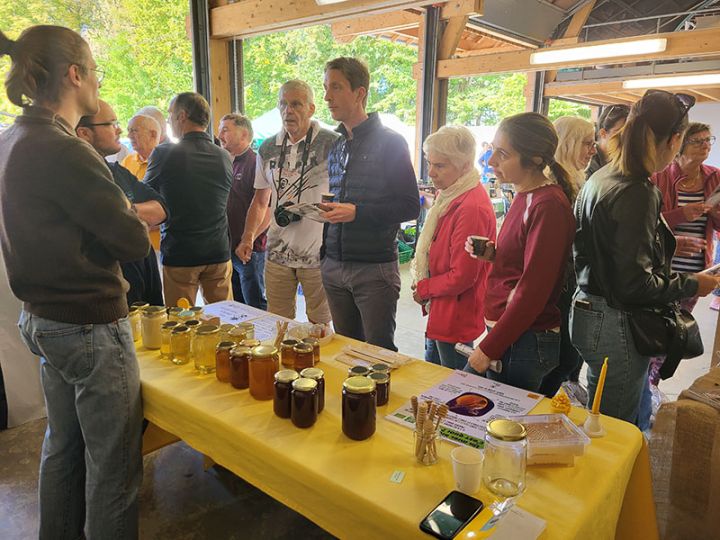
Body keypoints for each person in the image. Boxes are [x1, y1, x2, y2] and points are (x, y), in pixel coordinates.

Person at [0, 26, 150, 539]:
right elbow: (133, 241)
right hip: (89, 326)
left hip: (42, 320)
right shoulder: (65, 149)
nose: (96, 83)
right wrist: (129, 212)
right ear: (74, 75)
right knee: (113, 469)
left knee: (61, 449)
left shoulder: (13, 138)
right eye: (94, 71)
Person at [572, 90, 720, 429]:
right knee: (612, 433)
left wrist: (664, 246)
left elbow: (606, 248)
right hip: (615, 322)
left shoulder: (605, 175)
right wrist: (695, 282)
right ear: (675, 139)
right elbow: (632, 285)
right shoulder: (637, 189)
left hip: (589, 309)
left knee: (607, 417)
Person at [465, 112, 575, 395]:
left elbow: (534, 290)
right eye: (492, 151)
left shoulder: (547, 205)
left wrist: (489, 347)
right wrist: (493, 254)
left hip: (524, 338)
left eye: (503, 154)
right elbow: (524, 262)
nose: (491, 162)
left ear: (535, 158)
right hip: (512, 332)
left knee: (506, 427)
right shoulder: (525, 194)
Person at [321, 57, 420, 351]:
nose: (327, 97)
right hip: (333, 265)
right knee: (346, 351)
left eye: (336, 87)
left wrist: (357, 213)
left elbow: (410, 206)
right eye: (326, 88)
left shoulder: (392, 142)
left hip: (374, 269)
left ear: (360, 93)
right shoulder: (336, 144)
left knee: (378, 356)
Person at [238, 80, 337, 323]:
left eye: (296, 104)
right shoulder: (268, 147)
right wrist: (248, 236)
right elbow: (261, 200)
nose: (288, 111)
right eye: (283, 104)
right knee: (278, 324)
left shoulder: (332, 144)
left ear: (311, 108)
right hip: (277, 254)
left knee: (320, 326)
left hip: (318, 254)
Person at [411, 126, 496, 369]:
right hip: (442, 309)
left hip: (455, 316)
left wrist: (424, 287)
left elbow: (463, 276)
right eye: (430, 163)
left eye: (440, 166)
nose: (431, 173)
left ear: (465, 166)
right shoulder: (450, 194)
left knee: (449, 386)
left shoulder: (470, 206)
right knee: (433, 376)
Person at [145, 92, 233, 307]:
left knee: (180, 326)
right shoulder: (224, 156)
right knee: (226, 323)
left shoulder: (164, 153)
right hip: (218, 251)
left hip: (181, 252)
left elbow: (143, 194)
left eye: (170, 115)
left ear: (182, 116)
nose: (169, 122)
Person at [77, 99, 167, 306]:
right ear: (84, 133)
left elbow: (161, 209)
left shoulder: (118, 171)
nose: (119, 131)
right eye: (111, 123)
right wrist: (134, 215)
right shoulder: (77, 178)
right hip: (111, 293)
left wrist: (124, 209)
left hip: (146, 277)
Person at [538, 116, 597, 401]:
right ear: (569, 143)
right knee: (563, 360)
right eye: (587, 143)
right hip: (557, 288)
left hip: (570, 285)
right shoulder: (555, 187)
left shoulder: (573, 180)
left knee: (568, 359)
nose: (593, 150)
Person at [219, 112, 268, 309]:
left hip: (250, 250)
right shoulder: (223, 162)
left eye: (225, 130)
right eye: (220, 130)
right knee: (236, 307)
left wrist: (248, 241)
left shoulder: (256, 163)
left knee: (255, 304)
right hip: (227, 248)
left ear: (244, 135)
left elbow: (267, 209)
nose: (220, 135)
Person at [586, 104, 629, 180]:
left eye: (629, 134)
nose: (626, 139)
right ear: (603, 133)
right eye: (619, 133)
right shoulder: (587, 160)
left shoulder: (623, 160)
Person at [121, 113, 161, 179]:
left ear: (153, 135)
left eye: (134, 131)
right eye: (128, 131)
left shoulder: (163, 162)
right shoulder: (128, 160)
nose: (129, 136)